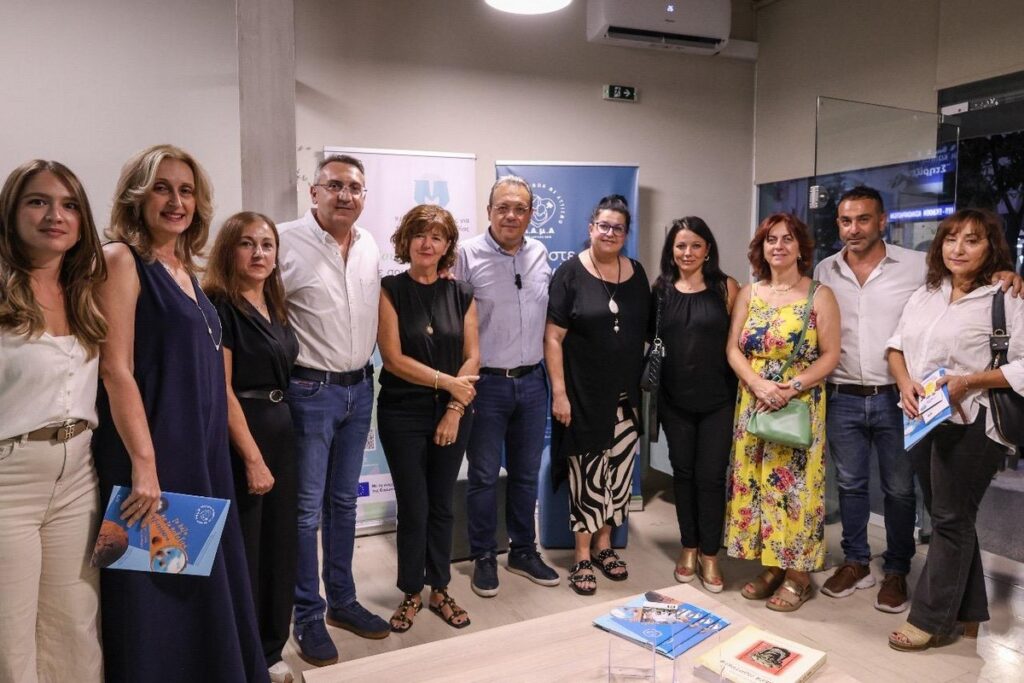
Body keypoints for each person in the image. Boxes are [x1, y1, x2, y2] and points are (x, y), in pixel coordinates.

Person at [92, 144, 267, 681]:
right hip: (155, 457)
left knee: (195, 584)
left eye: (186, 191)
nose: (176, 201)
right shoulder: (122, 260)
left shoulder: (186, 271)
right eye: (162, 188)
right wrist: (145, 465)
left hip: (200, 456)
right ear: (137, 196)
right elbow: (115, 369)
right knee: (155, 594)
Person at [814, 186, 1021, 613]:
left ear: (882, 221)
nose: (854, 228)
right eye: (846, 221)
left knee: (900, 488)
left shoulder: (915, 267)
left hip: (902, 400)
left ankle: (897, 569)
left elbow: (972, 284)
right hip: (847, 394)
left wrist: (1008, 273)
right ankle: (856, 562)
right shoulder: (826, 269)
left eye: (863, 219)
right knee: (851, 485)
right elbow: (895, 339)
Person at [886, 208, 1024, 651]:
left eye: (972, 240)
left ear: (991, 248)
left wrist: (969, 381)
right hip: (922, 419)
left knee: (948, 518)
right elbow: (895, 347)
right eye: (950, 239)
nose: (958, 249)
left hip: (973, 422)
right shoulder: (926, 293)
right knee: (952, 516)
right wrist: (904, 382)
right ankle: (968, 613)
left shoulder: (1007, 297)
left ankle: (929, 619)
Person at [277, 154, 388, 666]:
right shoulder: (283, 241)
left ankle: (343, 601)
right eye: (335, 185)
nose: (346, 195)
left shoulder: (369, 245)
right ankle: (307, 615)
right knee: (305, 511)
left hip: (359, 389)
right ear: (314, 191)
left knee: (344, 504)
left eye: (355, 188)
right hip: (309, 391)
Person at [0, 160, 106, 682]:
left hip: (78, 477)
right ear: (11, 212)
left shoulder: (86, 293)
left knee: (76, 629)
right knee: (10, 636)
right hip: (8, 480)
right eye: (37, 202)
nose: (54, 216)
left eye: (68, 205)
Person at [724, 212, 840, 612]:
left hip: (798, 404)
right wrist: (757, 384)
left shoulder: (819, 295)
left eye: (787, 239)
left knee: (796, 491)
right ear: (761, 248)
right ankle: (773, 565)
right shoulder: (749, 293)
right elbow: (732, 348)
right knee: (757, 485)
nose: (779, 246)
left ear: (800, 248)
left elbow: (831, 355)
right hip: (754, 401)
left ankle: (798, 576)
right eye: (771, 239)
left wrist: (791, 387)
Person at [204, 212, 299, 683]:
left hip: (282, 431)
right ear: (229, 250)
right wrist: (252, 457)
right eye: (247, 244)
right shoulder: (219, 306)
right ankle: (244, 653)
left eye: (267, 244)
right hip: (245, 436)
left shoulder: (275, 304)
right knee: (247, 547)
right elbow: (222, 390)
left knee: (281, 545)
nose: (259, 253)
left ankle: (272, 649)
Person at [377, 204, 479, 632]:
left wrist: (454, 407)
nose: (427, 243)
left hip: (453, 414)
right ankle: (410, 592)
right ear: (406, 241)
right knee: (414, 506)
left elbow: (473, 356)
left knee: (441, 504)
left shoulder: (462, 294)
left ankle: (440, 589)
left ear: (447, 246)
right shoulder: (390, 289)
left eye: (437, 237)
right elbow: (393, 358)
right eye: (420, 234)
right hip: (402, 412)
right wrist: (449, 383)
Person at [458, 175, 559, 598]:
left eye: (520, 208)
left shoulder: (539, 254)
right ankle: (484, 555)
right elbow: (454, 319)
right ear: (489, 212)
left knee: (524, 473)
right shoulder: (466, 255)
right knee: (483, 475)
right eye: (503, 207)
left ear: (531, 214)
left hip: (532, 381)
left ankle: (523, 550)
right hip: (486, 384)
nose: (511, 215)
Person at [544, 194, 650, 596]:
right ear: (591, 228)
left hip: (626, 398)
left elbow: (644, 332)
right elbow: (553, 338)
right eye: (603, 225)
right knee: (587, 476)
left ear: (626, 234)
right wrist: (559, 393)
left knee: (618, 476)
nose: (609, 233)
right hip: (582, 395)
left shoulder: (637, 273)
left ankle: (605, 545)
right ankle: (582, 556)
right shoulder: (569, 274)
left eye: (617, 228)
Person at [653, 217, 738, 593]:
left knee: (712, 477)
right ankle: (688, 547)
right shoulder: (660, 290)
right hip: (675, 401)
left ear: (707, 250)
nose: (687, 253)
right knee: (683, 474)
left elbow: (739, 342)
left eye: (695, 245)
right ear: (671, 250)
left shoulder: (726, 288)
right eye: (680, 246)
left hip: (719, 400)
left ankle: (710, 554)